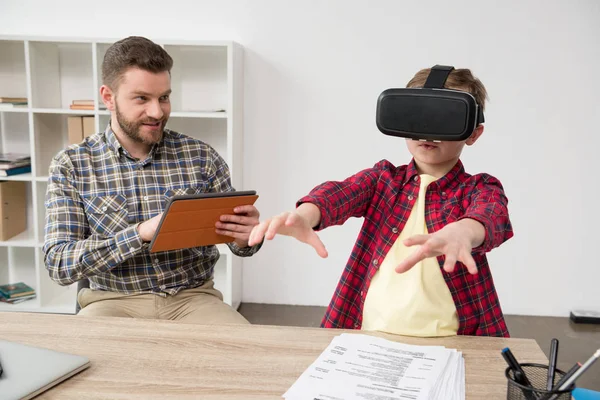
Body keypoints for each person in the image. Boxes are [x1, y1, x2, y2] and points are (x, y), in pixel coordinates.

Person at [249, 67, 513, 337]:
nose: (427, 132)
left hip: (452, 338)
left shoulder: (479, 187)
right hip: (372, 332)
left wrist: (464, 231)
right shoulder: (382, 179)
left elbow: (491, 213)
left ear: (473, 133)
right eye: (418, 117)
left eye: (445, 119)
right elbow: (339, 194)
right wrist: (305, 215)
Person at [43, 36, 261, 324]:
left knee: (248, 359)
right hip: (112, 301)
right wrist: (141, 233)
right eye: (142, 99)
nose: (157, 112)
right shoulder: (72, 164)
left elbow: (237, 243)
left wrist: (246, 237)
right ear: (108, 97)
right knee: (85, 365)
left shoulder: (201, 156)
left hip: (193, 299)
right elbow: (60, 264)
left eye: (164, 97)